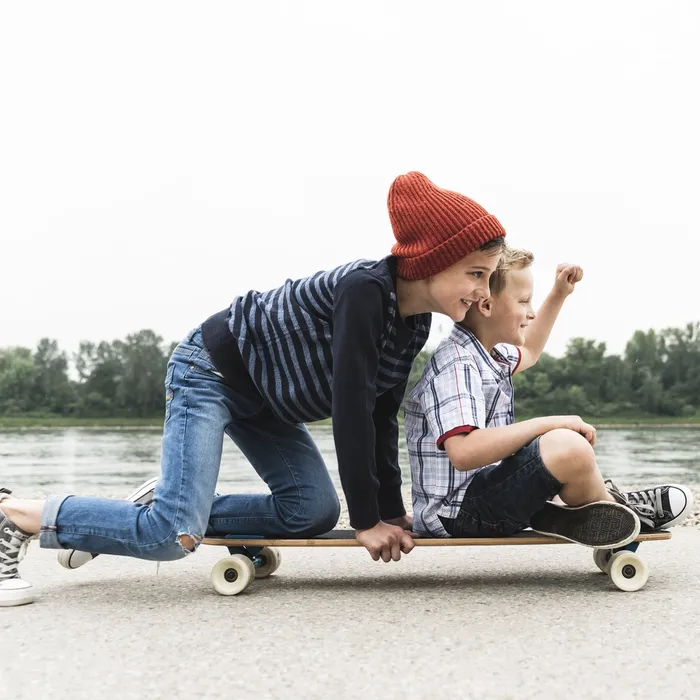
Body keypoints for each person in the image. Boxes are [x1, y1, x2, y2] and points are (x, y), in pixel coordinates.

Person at [1, 171, 507, 607]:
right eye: (476, 275)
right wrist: (368, 521)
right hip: (211, 373)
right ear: (430, 261)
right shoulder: (365, 290)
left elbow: (379, 418)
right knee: (171, 536)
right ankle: (17, 516)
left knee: (312, 512)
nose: (484, 294)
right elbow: (349, 407)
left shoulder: (413, 325)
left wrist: (390, 508)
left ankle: (173, 500)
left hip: (265, 400)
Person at [405, 246, 694, 543]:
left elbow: (530, 349)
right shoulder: (457, 363)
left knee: (569, 449)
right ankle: (618, 512)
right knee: (567, 445)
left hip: (479, 499)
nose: (531, 312)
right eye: (524, 301)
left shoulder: (488, 355)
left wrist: (559, 293)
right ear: (487, 306)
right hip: (457, 513)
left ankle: (576, 510)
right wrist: (551, 423)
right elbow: (464, 453)